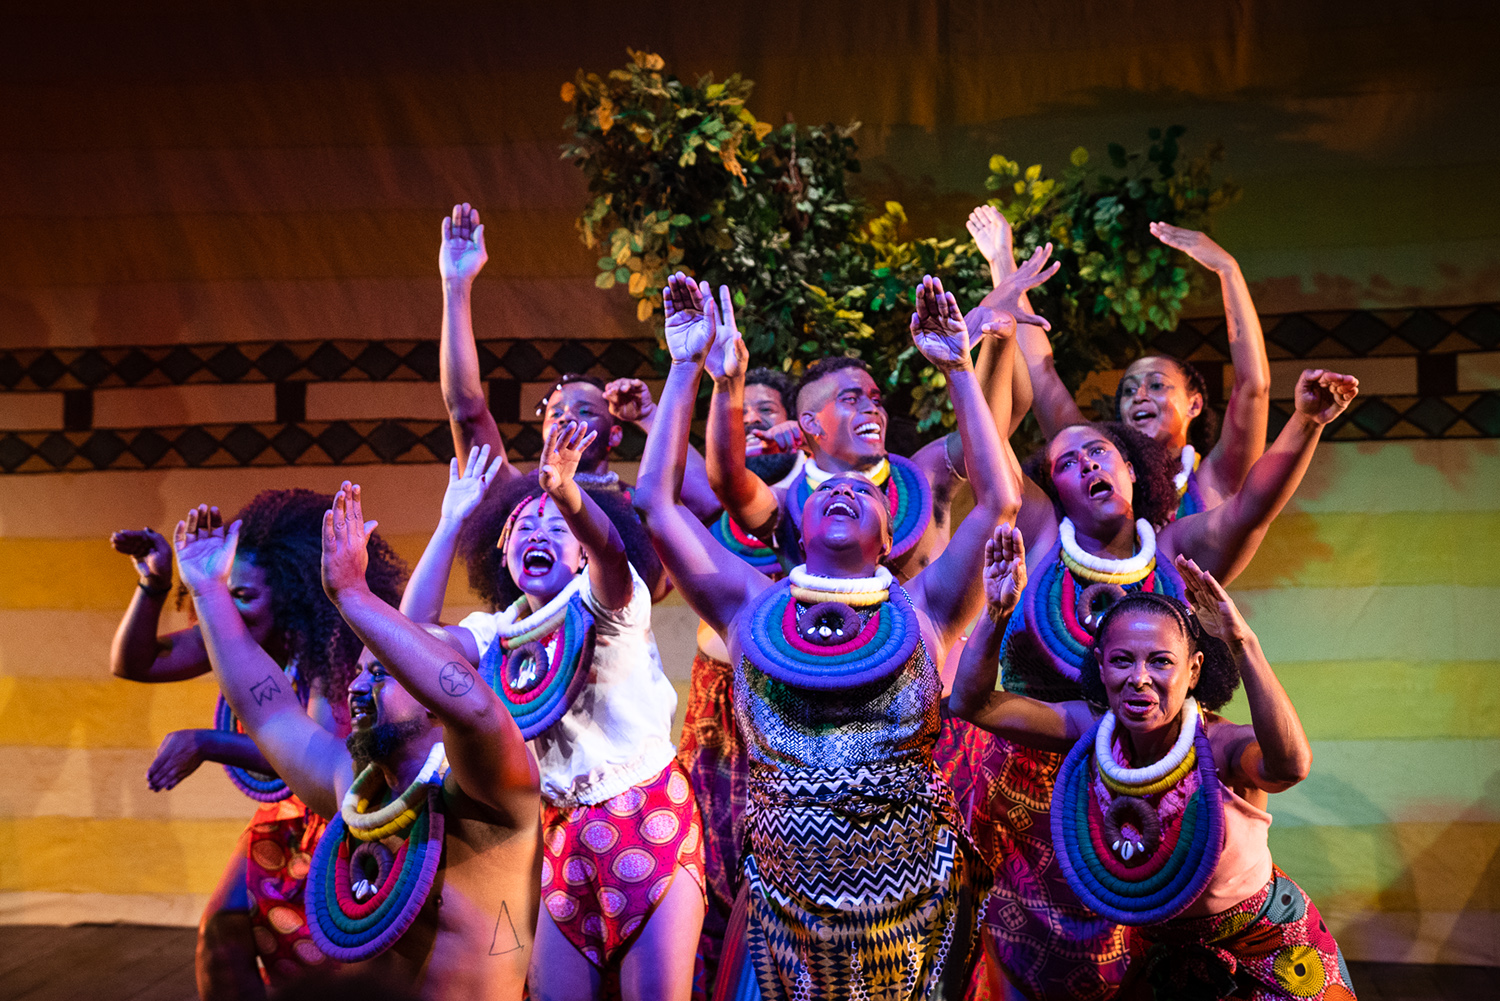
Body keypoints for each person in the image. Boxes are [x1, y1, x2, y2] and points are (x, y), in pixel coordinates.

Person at [634, 270, 1021, 1001]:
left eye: (867, 491)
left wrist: (961, 370)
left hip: (915, 920)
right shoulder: (748, 608)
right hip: (786, 923)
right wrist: (685, 366)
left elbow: (998, 496)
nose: (846, 489)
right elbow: (655, 503)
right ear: (794, 523)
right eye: (830, 489)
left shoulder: (927, 606)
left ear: (889, 529)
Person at [940, 367, 1357, 1000]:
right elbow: (988, 456)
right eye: (1065, 462)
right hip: (1030, 791)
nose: (1084, 465)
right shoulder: (1040, 536)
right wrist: (962, 369)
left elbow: (1252, 507)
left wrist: (1306, 422)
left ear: (1133, 469)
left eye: (1098, 452)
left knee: (1140, 954)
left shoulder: (1177, 551)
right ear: (1050, 488)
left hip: (1155, 777)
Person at [170, 486, 542, 999]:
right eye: (361, 674)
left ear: (434, 697)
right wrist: (208, 591)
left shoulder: (486, 793)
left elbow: (478, 710)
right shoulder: (358, 788)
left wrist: (354, 596)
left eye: (381, 675)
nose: (357, 686)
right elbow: (270, 710)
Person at [400, 433, 703, 1001]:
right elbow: (406, 638)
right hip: (556, 836)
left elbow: (612, 552)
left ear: (581, 551)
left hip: (648, 817)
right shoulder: (494, 635)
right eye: (524, 528)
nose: (539, 534)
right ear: (505, 548)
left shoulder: (613, 604)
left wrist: (567, 493)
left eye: (557, 528)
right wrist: (448, 523)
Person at [108, 490, 406, 997]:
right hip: (283, 819)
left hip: (341, 819)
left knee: (327, 967)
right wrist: (153, 585)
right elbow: (136, 664)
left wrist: (209, 743)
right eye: (224, 592)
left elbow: (317, 760)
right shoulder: (232, 632)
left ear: (291, 596)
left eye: (242, 595)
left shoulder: (334, 646)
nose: (227, 606)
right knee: (221, 939)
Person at [702, 245, 1059, 581]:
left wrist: (994, 342)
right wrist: (726, 384)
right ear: (810, 423)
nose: (872, 407)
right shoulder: (786, 508)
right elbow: (728, 480)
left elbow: (988, 437)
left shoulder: (925, 476)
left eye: (875, 398)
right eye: (852, 399)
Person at [967, 204, 1271, 517]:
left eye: (1156, 384)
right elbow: (1040, 372)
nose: (1138, 396)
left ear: (1194, 404)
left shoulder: (1213, 482)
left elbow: (1253, 388)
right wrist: (1001, 258)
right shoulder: (1091, 461)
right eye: (1127, 390)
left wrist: (1228, 270)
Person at [436, 203, 721, 524]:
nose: (566, 418)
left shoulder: (637, 504)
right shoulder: (518, 498)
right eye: (555, 412)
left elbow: (709, 503)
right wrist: (456, 285)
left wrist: (647, 415)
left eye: (586, 411)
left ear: (615, 435)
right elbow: (466, 412)